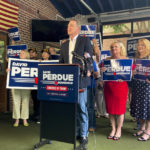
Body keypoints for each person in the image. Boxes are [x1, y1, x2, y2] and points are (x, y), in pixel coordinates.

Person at [59, 19, 93, 144]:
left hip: (81, 79)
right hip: (67, 81)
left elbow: (89, 59)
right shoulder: (64, 45)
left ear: (78, 29)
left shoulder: (84, 40)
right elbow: (61, 63)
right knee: (70, 108)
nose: (69, 27)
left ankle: (84, 134)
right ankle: (74, 131)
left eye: (71, 25)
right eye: (68, 26)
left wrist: (88, 70)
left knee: (81, 107)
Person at [101, 41, 128, 140]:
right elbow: (102, 71)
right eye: (112, 47)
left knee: (120, 110)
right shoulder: (106, 60)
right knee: (111, 110)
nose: (114, 49)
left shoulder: (126, 60)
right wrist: (102, 70)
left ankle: (119, 129)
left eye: (116, 47)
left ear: (121, 48)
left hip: (121, 87)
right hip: (109, 87)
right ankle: (113, 128)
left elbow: (131, 73)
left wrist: (124, 76)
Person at [130, 38, 150, 141]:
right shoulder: (136, 58)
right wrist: (132, 73)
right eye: (139, 45)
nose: (140, 47)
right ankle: (142, 128)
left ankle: (148, 131)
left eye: (142, 45)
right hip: (137, 85)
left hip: (148, 87)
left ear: (147, 46)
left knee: (147, 108)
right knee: (140, 108)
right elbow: (133, 71)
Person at [7, 50, 31, 127]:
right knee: (16, 102)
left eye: (22, 53)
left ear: (27, 55)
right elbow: (10, 73)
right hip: (15, 85)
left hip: (26, 86)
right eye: (20, 53)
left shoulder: (31, 63)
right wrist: (8, 71)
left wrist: (33, 85)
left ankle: (24, 119)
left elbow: (35, 74)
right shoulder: (14, 62)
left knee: (25, 102)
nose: (20, 54)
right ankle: (16, 119)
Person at [28, 48, 40, 123]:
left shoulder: (39, 61)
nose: (31, 54)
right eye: (30, 52)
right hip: (30, 85)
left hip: (38, 85)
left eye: (33, 52)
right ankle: (35, 114)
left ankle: (38, 115)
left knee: (38, 101)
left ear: (36, 54)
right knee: (34, 100)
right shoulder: (27, 62)